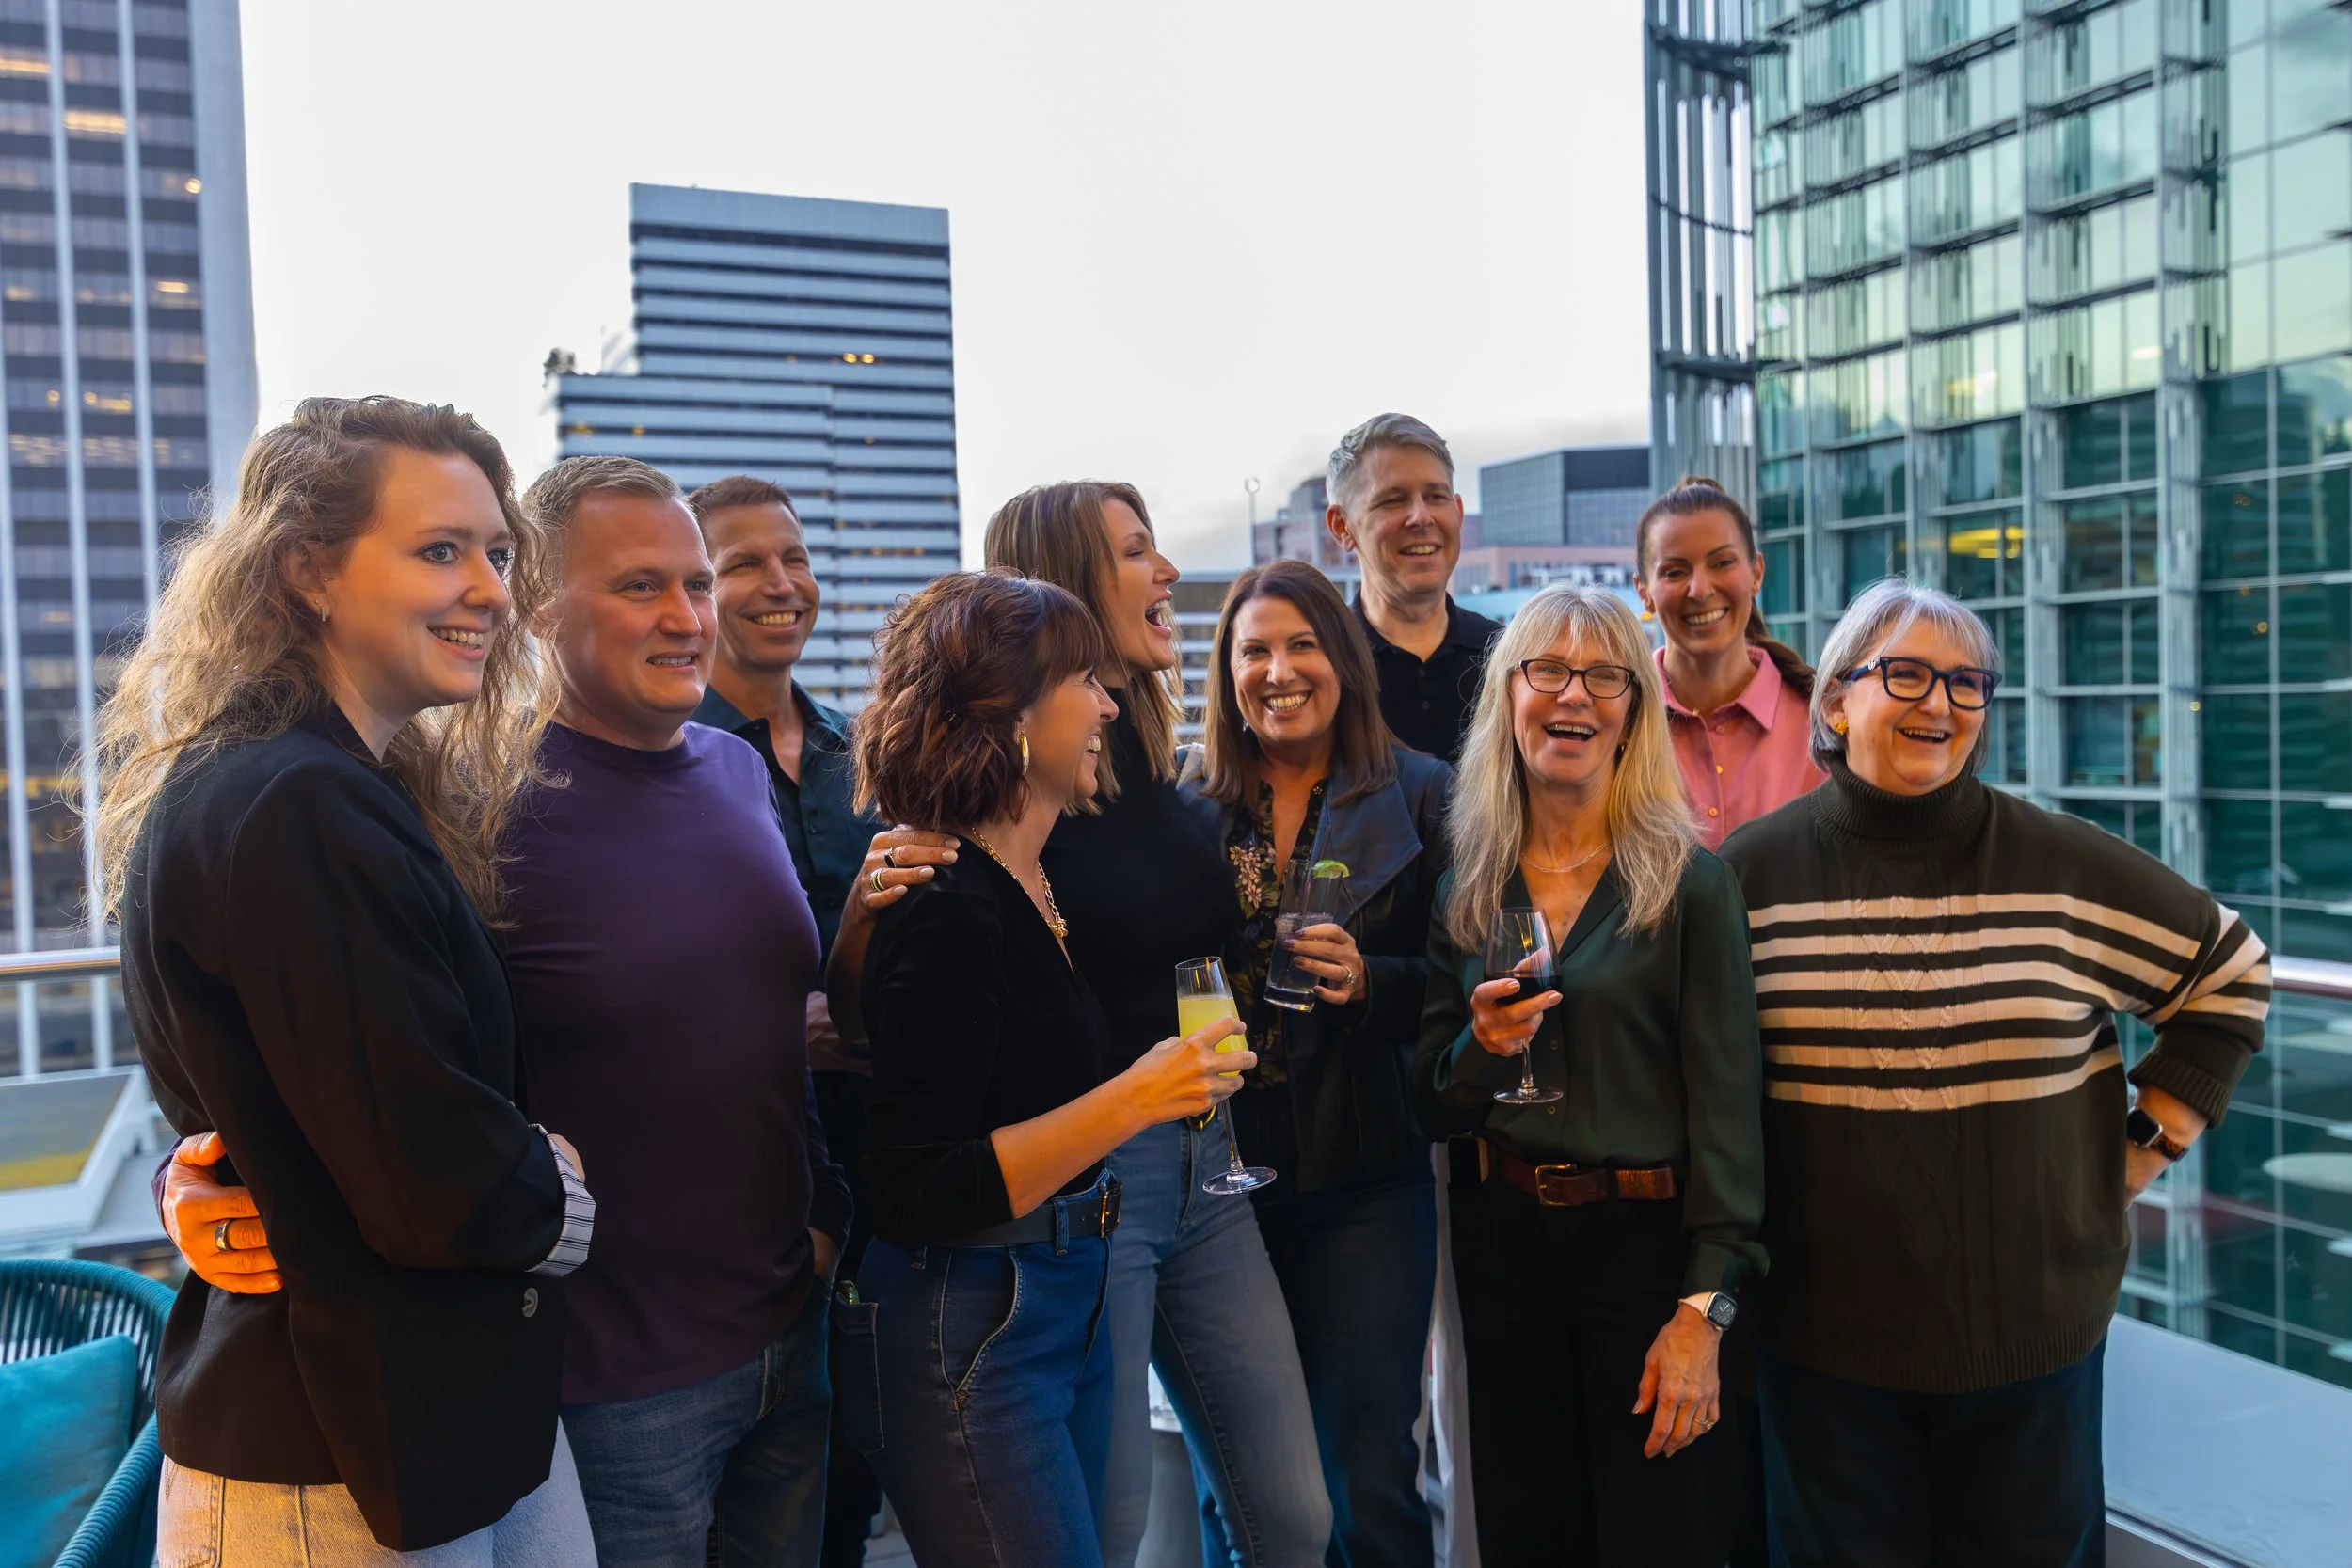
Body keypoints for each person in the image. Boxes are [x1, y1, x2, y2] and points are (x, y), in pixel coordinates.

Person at [167, 454, 853, 1567]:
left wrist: (822, 1216)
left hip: (788, 1336)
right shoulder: (467, 805)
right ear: (541, 609)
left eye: (695, 584)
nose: (688, 616)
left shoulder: (736, 772)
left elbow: (774, 1024)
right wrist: (203, 1168)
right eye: (641, 586)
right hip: (606, 1389)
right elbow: (318, 1029)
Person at [106, 396, 598, 1559]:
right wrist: (559, 1185)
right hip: (328, 1454)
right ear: (306, 571)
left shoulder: (305, 782)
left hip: (426, 1417)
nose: (489, 587)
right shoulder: (297, 801)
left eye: (496, 551)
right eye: (439, 550)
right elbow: (435, 1174)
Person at [1716, 580, 2270, 1568]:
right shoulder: (1749, 874)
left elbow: (2228, 972)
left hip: (2032, 1341)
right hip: (1819, 1346)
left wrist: (2144, 1145)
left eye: (1968, 683)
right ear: (1836, 701)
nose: (1942, 702)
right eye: (1909, 674)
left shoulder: (2058, 861)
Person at [842, 570, 1255, 1568]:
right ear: (1013, 713)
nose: (1110, 701)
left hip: (1058, 1295)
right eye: (1084, 678)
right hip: (973, 1325)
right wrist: (1136, 1096)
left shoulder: (1027, 876)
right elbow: (910, 1186)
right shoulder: (948, 901)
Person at [983, 481, 1333, 1568]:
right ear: (1065, 584)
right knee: (1109, 1523)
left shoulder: (1136, 750)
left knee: (1292, 1516)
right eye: (1140, 552)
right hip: (1096, 1187)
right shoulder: (1010, 779)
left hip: (1208, 1160)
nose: (1170, 575)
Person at [1415, 582, 1765, 1568]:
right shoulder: (1467, 885)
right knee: (1532, 1535)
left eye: (1605, 675)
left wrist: (1705, 1315)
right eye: (1549, 670)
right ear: (1509, 696)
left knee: (1666, 1534)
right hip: (1503, 1246)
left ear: (1631, 713)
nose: (1575, 694)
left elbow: (1732, 1124)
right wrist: (1480, 1048)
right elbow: (1429, 1101)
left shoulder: (1690, 884)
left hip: (1645, 1256)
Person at [1177, 561, 1452, 1568]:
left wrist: (1371, 980)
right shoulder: (1184, 802)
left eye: (1301, 645)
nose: (1277, 669)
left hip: (1363, 1179)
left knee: (1367, 1465)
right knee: (1241, 1483)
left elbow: (1471, 987)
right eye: (1254, 648)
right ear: (1227, 668)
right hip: (1214, 1185)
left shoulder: (1424, 795)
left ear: (1342, 659)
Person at [682, 473, 898, 1565]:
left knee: (854, 1469)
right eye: (744, 565)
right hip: (747, 1178)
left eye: (795, 558)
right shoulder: (668, 759)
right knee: (756, 1501)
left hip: (880, 1159)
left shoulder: (864, 752)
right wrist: (779, 1024)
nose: (782, 584)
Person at [1633, 475, 1824, 849]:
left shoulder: (1823, 724)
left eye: (1722, 562)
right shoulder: (1617, 723)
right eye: (1674, 572)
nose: (1700, 590)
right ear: (1644, 593)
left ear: (1756, 573)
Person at [1323, 413, 1501, 765]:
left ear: (1459, 512)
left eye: (1436, 497)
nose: (1421, 517)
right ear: (1342, 526)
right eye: (1392, 500)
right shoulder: (1318, 664)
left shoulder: (1508, 659)